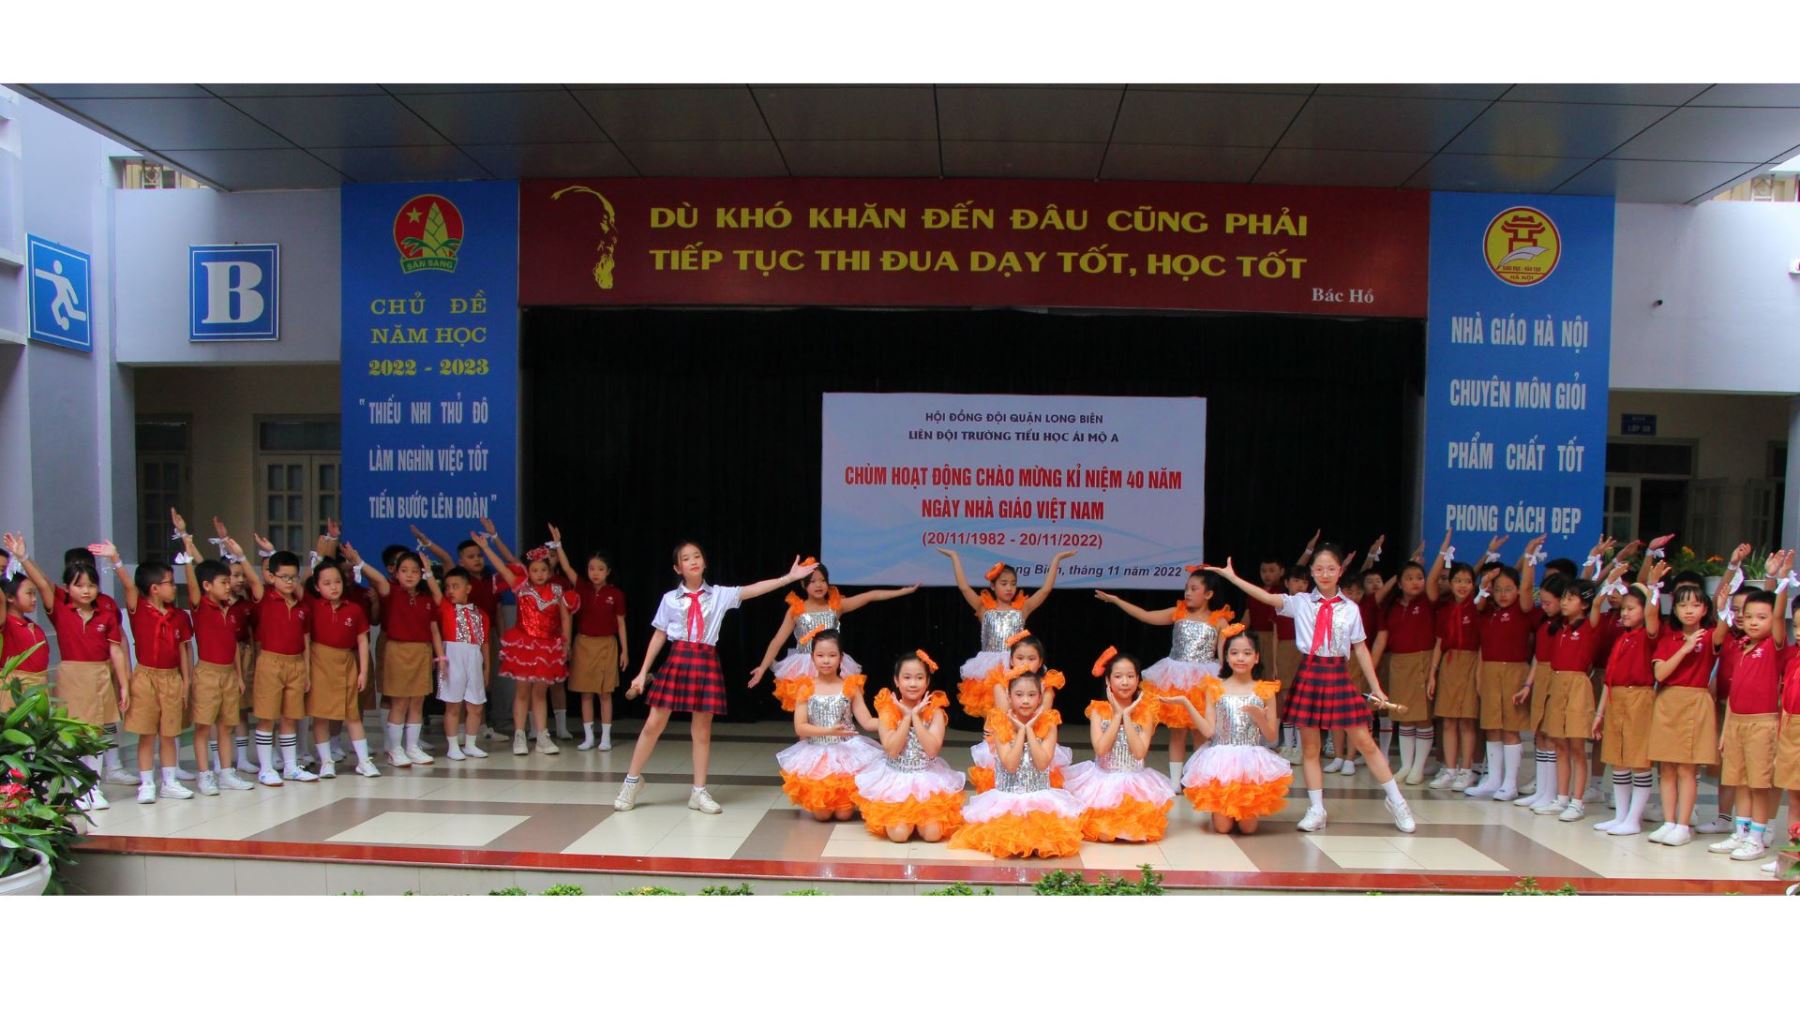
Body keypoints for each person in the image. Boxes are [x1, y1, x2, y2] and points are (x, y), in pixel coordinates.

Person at [1206, 547, 1416, 833]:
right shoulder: (1301, 602)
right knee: (1310, 748)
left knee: (1365, 742)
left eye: (1331, 569)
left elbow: (1360, 649)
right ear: (1312, 573)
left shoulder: (1350, 608)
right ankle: (1317, 809)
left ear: (1340, 571)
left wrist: (1376, 687)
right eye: (1319, 569)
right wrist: (1233, 578)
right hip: (1309, 672)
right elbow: (1268, 598)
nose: (1325, 574)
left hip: (1338, 674)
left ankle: (1397, 802)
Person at [614, 547, 817, 814]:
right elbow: (659, 635)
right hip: (678, 660)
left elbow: (753, 589)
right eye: (686, 559)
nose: (693, 561)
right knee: (653, 724)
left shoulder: (719, 594)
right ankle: (631, 782)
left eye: (697, 556)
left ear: (704, 562)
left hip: (705, 662)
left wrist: (788, 578)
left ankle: (698, 792)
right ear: (677, 568)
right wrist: (642, 672)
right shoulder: (669, 599)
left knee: (702, 731)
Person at [6, 533, 131, 806]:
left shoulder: (105, 613)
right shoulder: (60, 609)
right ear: (67, 588)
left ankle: (93, 787)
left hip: (100, 676)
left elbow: (116, 651)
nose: (86, 591)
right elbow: (42, 583)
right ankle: (78, 789)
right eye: (79, 585)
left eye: (91, 585)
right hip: (72, 676)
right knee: (73, 734)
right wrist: (23, 557)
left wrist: (123, 685)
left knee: (96, 734)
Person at [1093, 567, 1230, 782]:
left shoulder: (1219, 621)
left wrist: (1225, 682)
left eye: (1194, 589)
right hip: (1175, 678)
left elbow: (1224, 656)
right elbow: (1146, 615)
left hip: (1204, 680)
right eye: (1186, 588)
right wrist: (1117, 601)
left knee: (1201, 732)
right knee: (1177, 731)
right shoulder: (1178, 613)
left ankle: (1197, 779)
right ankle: (1175, 782)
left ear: (1209, 594)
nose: (1187, 592)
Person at [1707, 552, 1793, 863]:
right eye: (1749, 616)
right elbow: (1734, 696)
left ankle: (1757, 837)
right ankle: (1741, 832)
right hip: (1737, 723)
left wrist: (1779, 581)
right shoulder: (1744, 646)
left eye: (1762, 617)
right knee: (1740, 780)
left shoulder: (1774, 647)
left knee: (1758, 784)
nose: (1754, 622)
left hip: (1762, 724)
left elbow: (1777, 613)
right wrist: (1726, 730)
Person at [1166, 624, 1292, 835]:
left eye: (1247, 653)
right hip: (1221, 759)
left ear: (1256, 657)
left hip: (1250, 760)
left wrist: (1259, 716)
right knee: (1223, 828)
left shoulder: (1264, 691)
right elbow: (1208, 731)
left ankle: (1242, 808)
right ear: (1226, 657)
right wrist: (1186, 704)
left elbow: (1271, 736)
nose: (1240, 658)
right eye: (1234, 653)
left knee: (1248, 828)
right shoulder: (1216, 688)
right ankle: (1222, 808)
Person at [947, 669, 1085, 858]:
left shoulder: (1049, 723)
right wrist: (1021, 731)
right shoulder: (999, 723)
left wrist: (1030, 730)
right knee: (1011, 844)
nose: (1025, 700)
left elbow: (1042, 763)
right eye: (1019, 695)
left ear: (1040, 698)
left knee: (1041, 843)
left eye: (1031, 695)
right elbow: (1010, 765)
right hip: (1007, 798)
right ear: (1009, 697)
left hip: (1040, 798)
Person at [748, 562, 917, 711]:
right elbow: (777, 641)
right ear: (803, 584)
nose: (818, 585)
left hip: (832, 663)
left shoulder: (836, 606)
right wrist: (762, 667)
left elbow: (870, 596)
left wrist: (901, 592)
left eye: (822, 580)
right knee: (807, 711)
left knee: (833, 707)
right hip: (804, 667)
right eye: (813, 581)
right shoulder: (796, 610)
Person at [936, 547, 1077, 718]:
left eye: (1013, 584)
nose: (1009, 588)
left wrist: (1056, 560)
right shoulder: (984, 608)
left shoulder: (1022, 609)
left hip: (1015, 664)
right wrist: (954, 557)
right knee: (993, 712)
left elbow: (1045, 590)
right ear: (992, 586)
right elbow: (964, 588)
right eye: (1004, 584)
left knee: (1016, 709)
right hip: (989, 667)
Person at [171, 519, 257, 794]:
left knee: (226, 726)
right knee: (203, 727)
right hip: (207, 673)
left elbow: (232, 646)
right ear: (207, 586)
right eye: (223, 582)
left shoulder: (228, 609)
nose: (229, 586)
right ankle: (204, 775)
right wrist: (187, 551)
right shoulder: (201, 606)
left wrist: (239, 676)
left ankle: (226, 772)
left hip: (228, 674)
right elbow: (194, 581)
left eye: (229, 582)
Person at [226, 535, 319, 787]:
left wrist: (307, 671)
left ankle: (290, 767)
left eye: (293, 577)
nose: (289, 582)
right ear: (271, 577)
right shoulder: (264, 597)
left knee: (290, 717)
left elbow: (306, 641)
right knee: (267, 717)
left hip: (296, 663)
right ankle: (266, 768)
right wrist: (242, 556)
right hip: (270, 662)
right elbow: (252, 579)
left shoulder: (302, 607)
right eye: (284, 577)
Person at [473, 533, 577, 756]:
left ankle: (542, 736)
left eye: (543, 570)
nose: (539, 574)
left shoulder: (557, 591)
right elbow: (503, 568)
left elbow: (565, 617)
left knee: (540, 692)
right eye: (535, 570)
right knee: (522, 692)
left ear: (550, 571)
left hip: (548, 646)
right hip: (524, 646)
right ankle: (519, 735)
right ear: (528, 571)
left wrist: (565, 643)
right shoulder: (521, 586)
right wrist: (487, 548)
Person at [1062, 649, 1176, 843]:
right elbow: (1101, 749)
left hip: (1134, 781)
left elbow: (1139, 752)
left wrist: (1127, 716)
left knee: (1134, 833)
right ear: (1108, 680)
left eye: (1130, 676)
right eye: (1118, 676)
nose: (1125, 682)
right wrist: (1117, 716)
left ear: (1138, 679)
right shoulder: (1098, 710)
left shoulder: (1146, 711)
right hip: (1103, 781)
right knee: (1105, 835)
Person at [112, 550, 196, 804]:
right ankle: (147, 783)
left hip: (171, 678)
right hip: (146, 677)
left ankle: (169, 781)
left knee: (169, 733)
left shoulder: (179, 616)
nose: (174, 587)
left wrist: (186, 681)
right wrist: (116, 559)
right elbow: (128, 585)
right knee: (146, 733)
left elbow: (184, 650)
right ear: (154, 588)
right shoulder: (139, 609)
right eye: (170, 582)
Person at [1590, 568, 1669, 836]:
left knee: (1638, 759)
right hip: (1617, 699)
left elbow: (1653, 616)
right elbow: (1609, 680)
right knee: (1618, 758)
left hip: (1639, 697)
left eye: (1631, 608)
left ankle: (1634, 819)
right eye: (1623, 608)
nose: (1624, 613)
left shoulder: (1649, 635)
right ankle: (1621, 816)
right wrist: (1600, 713)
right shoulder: (1622, 637)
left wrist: (1651, 587)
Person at [854, 651, 964, 843]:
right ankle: (907, 822)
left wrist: (916, 718)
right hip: (896, 778)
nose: (913, 683)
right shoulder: (887, 710)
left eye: (919, 678)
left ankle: (919, 822)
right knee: (899, 835)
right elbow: (892, 750)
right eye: (907, 677)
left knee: (932, 835)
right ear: (897, 681)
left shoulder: (935, 711)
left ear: (927, 682)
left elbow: (932, 749)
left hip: (927, 777)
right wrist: (906, 718)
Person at [775, 629, 882, 821]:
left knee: (844, 814)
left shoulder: (850, 686)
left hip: (847, 751)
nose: (826, 661)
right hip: (817, 750)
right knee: (822, 814)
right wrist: (829, 731)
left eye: (832, 655)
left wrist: (891, 721)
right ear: (812, 657)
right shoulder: (806, 687)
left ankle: (843, 802)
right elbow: (800, 727)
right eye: (820, 655)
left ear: (841, 658)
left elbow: (867, 721)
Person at [1644, 583, 1720, 846]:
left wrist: (1729, 587)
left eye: (1696, 605)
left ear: (1705, 609)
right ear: (1674, 609)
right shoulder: (1669, 639)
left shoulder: (1709, 636)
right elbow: (1660, 674)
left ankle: (1683, 824)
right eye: (1683, 605)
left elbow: (1723, 627)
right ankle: (1668, 821)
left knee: (1687, 768)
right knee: (1666, 767)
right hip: (1668, 702)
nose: (1689, 610)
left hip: (1695, 701)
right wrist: (1684, 648)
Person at [1467, 541, 1543, 800]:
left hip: (1514, 671)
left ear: (1517, 590)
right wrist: (1485, 584)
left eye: (1508, 589)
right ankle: (1493, 779)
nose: (1502, 594)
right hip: (1490, 671)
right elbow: (1478, 603)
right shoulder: (1486, 610)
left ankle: (1510, 783)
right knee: (1492, 726)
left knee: (1511, 727)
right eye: (1498, 589)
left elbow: (1528, 588)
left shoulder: (1523, 610)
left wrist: (1529, 556)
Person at [1532, 576, 1610, 821]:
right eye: (1563, 598)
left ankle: (1577, 802)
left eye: (1570, 598)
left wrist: (1609, 580)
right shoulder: (1561, 627)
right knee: (1559, 743)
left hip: (1577, 685)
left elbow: (1596, 604)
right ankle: (1562, 797)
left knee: (1577, 747)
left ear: (1584, 603)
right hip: (1557, 682)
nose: (1564, 602)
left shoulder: (1589, 626)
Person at [1369, 538, 1445, 784]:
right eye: (1409, 578)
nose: (1415, 582)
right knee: (1403, 716)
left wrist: (1443, 548)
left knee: (1422, 716)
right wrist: (1370, 670)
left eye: (1419, 577)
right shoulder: (1390, 607)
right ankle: (1406, 764)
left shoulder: (1428, 601)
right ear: (1399, 583)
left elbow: (1433, 579)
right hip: (1399, 665)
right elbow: (1380, 641)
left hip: (1422, 661)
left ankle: (1418, 767)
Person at [298, 555, 379, 778]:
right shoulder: (311, 606)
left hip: (347, 663)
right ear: (317, 586)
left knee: (352, 714)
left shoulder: (354, 609)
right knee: (320, 715)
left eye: (337, 581)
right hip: (319, 663)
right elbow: (298, 586)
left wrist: (363, 671)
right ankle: (326, 762)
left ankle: (364, 761)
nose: (333, 587)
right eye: (326, 583)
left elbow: (362, 641)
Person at [552, 535, 627, 751]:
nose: (595, 573)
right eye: (592, 568)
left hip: (607, 645)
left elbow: (621, 624)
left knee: (605, 693)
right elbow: (566, 567)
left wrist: (625, 651)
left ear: (608, 571)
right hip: (583, 644)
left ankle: (606, 737)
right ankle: (588, 737)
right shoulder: (581, 587)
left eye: (600, 569)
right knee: (585, 692)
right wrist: (558, 544)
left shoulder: (615, 594)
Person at [967, 633, 1068, 792]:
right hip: (1008, 736)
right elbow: (1005, 714)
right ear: (1012, 660)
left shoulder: (1046, 685)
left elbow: (1042, 716)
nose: (1025, 663)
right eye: (1020, 658)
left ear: (1040, 661)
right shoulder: (1000, 684)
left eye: (1031, 659)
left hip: (1036, 736)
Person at [419, 560, 490, 760]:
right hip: (453, 655)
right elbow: (435, 591)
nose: (450, 591)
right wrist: (428, 572)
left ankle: (471, 744)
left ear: (468, 588)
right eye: (448, 587)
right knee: (453, 704)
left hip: (474, 657)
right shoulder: (446, 608)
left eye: (455, 586)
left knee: (476, 704)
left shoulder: (481, 614)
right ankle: (452, 746)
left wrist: (486, 668)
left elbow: (485, 643)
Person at [1426, 552, 1485, 791]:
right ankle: (1450, 769)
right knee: (1449, 720)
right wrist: (1433, 674)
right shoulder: (1445, 609)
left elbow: (1482, 645)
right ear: (1450, 584)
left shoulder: (1478, 607)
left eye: (1468, 581)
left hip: (1471, 662)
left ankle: (1466, 770)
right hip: (1449, 664)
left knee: (1467, 721)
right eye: (1458, 580)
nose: (1463, 585)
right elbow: (1439, 643)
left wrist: (1479, 675)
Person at [1513, 572, 1570, 811]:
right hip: (1541, 678)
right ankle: (1542, 791)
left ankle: (1553, 793)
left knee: (1552, 735)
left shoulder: (1566, 626)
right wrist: (1528, 684)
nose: (1544, 607)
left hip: (1556, 678)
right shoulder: (1544, 622)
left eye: (1548, 602)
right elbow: (1538, 656)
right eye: (1542, 602)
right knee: (1540, 735)